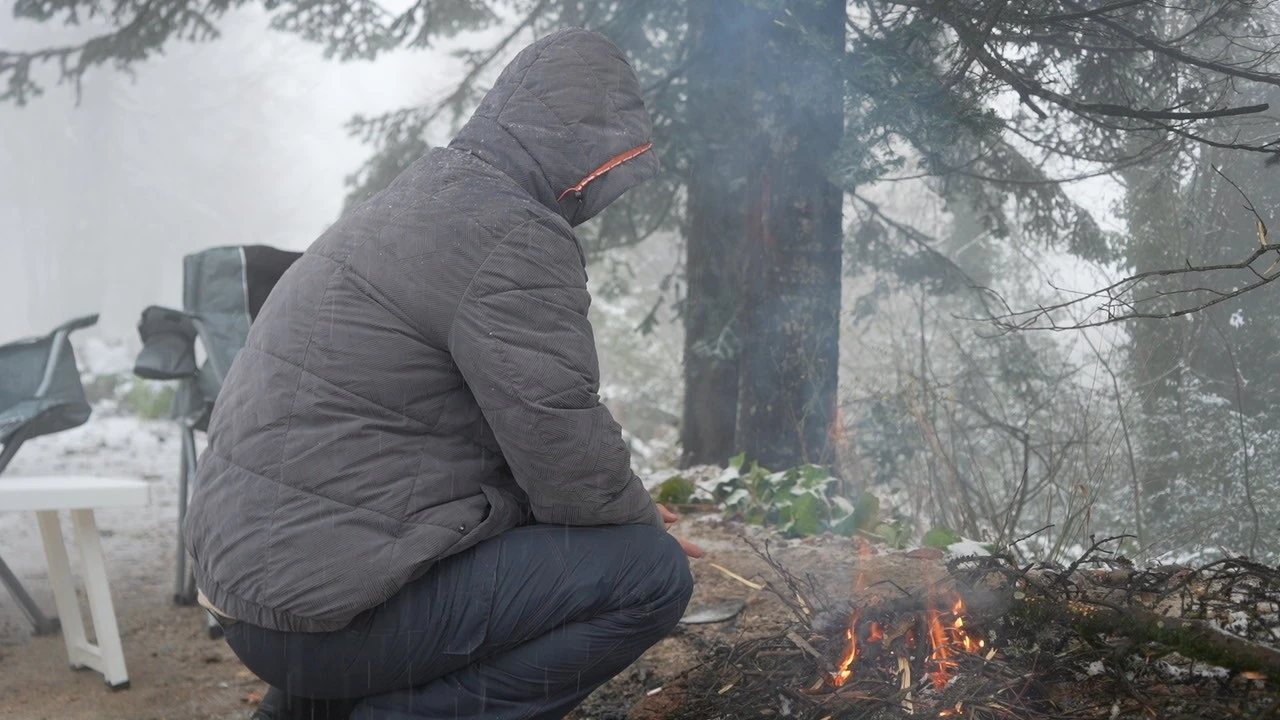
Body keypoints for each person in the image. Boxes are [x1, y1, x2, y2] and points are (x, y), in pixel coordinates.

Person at [182, 28, 702, 720]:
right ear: (579, 144)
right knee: (650, 577)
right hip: (318, 620)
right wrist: (634, 526)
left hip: (253, 597)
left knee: (387, 558)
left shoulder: (413, 203)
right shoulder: (508, 230)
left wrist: (614, 502)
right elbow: (557, 432)